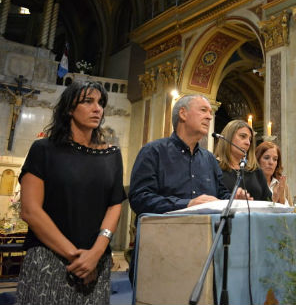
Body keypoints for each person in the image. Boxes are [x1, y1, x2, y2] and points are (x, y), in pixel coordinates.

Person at [16, 80, 126, 304]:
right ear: (69, 109)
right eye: (88, 102)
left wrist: (95, 253)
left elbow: (115, 204)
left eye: (101, 103)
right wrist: (77, 257)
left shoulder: (112, 155)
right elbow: (30, 210)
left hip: (96, 261)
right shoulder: (44, 150)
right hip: (49, 258)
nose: (98, 108)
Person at [129, 95, 248, 217]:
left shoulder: (209, 159)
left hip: (205, 232)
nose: (209, 117)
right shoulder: (154, 152)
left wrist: (234, 200)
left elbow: (221, 195)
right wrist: (187, 204)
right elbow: (139, 198)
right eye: (203, 110)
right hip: (164, 231)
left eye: (210, 112)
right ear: (183, 113)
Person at [215, 119, 272, 201]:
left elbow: (268, 201)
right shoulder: (213, 166)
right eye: (243, 136)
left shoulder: (255, 170)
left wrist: (277, 198)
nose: (248, 143)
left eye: (250, 139)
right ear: (228, 137)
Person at [256, 141, 292, 205]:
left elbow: (291, 211)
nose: (271, 162)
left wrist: (281, 198)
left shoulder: (281, 184)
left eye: (275, 159)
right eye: (266, 158)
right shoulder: (252, 183)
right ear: (257, 160)